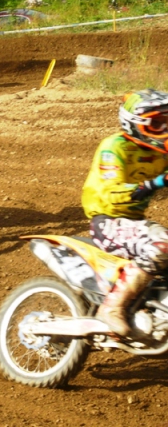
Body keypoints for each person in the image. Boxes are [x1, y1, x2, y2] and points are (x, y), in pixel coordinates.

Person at [82, 88, 168, 336]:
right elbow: (110, 192)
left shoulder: (160, 153)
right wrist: (152, 184)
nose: (165, 130)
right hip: (108, 222)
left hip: (135, 223)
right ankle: (112, 307)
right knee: (162, 244)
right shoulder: (114, 148)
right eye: (158, 124)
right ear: (136, 124)